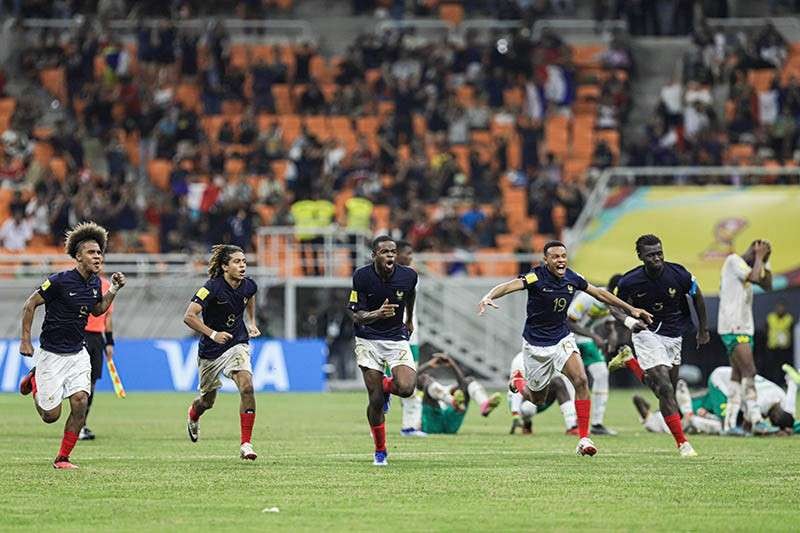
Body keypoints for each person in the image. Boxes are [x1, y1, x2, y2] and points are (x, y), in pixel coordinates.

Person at [478, 240, 652, 456]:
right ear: (546, 260)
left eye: (563, 256)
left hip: (562, 339)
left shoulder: (572, 277)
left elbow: (599, 293)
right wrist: (488, 296)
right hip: (536, 346)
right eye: (555, 257)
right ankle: (518, 382)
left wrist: (631, 309)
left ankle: (584, 438)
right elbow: (509, 285)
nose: (561, 260)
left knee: (581, 380)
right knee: (536, 399)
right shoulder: (536, 276)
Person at [18, 222, 126, 469]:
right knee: (50, 416)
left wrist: (114, 290)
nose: (97, 257)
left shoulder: (96, 283)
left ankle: (63, 458)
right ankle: (34, 380)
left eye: (100, 253)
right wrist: (25, 340)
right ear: (78, 256)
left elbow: (97, 309)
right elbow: (29, 305)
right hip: (51, 354)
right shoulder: (59, 281)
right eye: (91, 252)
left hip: (78, 352)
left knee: (80, 401)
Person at [608, 234, 709, 456]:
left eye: (659, 253)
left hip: (674, 335)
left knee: (665, 391)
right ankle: (683, 443)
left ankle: (630, 362)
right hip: (646, 333)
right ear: (641, 256)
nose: (657, 258)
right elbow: (614, 307)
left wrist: (703, 329)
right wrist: (630, 321)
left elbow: (698, 297)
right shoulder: (629, 281)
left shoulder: (679, 274)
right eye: (651, 254)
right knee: (664, 387)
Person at [183, 244, 261, 461]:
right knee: (207, 401)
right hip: (211, 350)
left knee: (247, 387)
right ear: (225, 266)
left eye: (244, 261)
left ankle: (246, 443)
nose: (242, 265)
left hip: (237, 343)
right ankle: (193, 413)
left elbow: (250, 296)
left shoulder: (248, 285)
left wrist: (251, 322)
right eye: (237, 262)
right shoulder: (211, 288)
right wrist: (213, 334)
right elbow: (189, 316)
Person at [348, 236, 418, 466]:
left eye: (393, 252)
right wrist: (377, 314)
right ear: (374, 255)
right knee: (375, 399)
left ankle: (388, 385)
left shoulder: (408, 275)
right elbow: (356, 315)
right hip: (367, 339)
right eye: (385, 252)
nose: (390, 255)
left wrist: (408, 319)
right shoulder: (361, 276)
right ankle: (380, 450)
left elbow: (410, 293)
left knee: (407, 389)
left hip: (396, 337)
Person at [717, 239, 773, 434]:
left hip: (742, 327)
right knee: (750, 370)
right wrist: (758, 256)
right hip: (734, 327)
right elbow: (756, 278)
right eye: (756, 251)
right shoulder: (733, 260)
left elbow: (767, 285)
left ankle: (730, 424)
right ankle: (756, 419)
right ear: (750, 248)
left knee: (737, 374)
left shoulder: (749, 267)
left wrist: (765, 261)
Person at [566, 276, 621, 435]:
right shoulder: (588, 297)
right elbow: (569, 322)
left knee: (602, 374)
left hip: (585, 340)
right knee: (570, 379)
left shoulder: (611, 301)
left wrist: (613, 336)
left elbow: (610, 325)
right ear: (611, 290)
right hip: (567, 338)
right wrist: (595, 336)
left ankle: (597, 423)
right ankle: (572, 422)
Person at [687, 366, 796, 434]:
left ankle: (685, 408)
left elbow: (789, 411)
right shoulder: (759, 404)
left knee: (704, 405)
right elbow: (747, 426)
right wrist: (772, 432)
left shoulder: (781, 396)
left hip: (730, 379)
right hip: (720, 381)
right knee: (726, 425)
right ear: (774, 418)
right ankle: (692, 419)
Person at [416, 354, 501, 435]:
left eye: (426, 375)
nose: (427, 376)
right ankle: (453, 402)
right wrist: (428, 365)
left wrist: (452, 364)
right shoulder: (417, 393)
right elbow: (411, 377)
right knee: (430, 386)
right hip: (433, 425)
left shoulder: (444, 389)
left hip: (446, 422)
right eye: (423, 376)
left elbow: (462, 384)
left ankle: (484, 404)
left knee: (468, 381)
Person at [79, 270, 115, 441]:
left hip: (96, 338)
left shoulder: (106, 285)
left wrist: (109, 341)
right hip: (79, 334)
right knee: (80, 383)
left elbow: (107, 316)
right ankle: (78, 423)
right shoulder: (78, 282)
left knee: (91, 384)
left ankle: (81, 423)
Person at [395, 240, 426, 437]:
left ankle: (410, 426)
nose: (410, 257)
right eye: (407, 253)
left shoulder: (412, 277)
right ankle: (378, 419)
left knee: (410, 381)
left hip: (411, 337)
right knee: (389, 381)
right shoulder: (385, 277)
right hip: (391, 336)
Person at [508, 351, 577, 435]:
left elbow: (566, 384)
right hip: (523, 401)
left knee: (558, 382)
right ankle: (526, 423)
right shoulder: (519, 361)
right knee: (528, 407)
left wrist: (574, 412)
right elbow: (515, 388)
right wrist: (515, 413)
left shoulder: (554, 358)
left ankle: (572, 425)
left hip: (543, 398)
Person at [766, 301, 793, 384]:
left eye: (782, 307)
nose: (780, 309)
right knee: (772, 366)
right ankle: (772, 382)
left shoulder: (789, 318)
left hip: (784, 347)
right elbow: (766, 329)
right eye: (779, 307)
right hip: (772, 346)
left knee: (784, 366)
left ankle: (783, 382)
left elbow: (791, 331)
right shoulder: (770, 317)